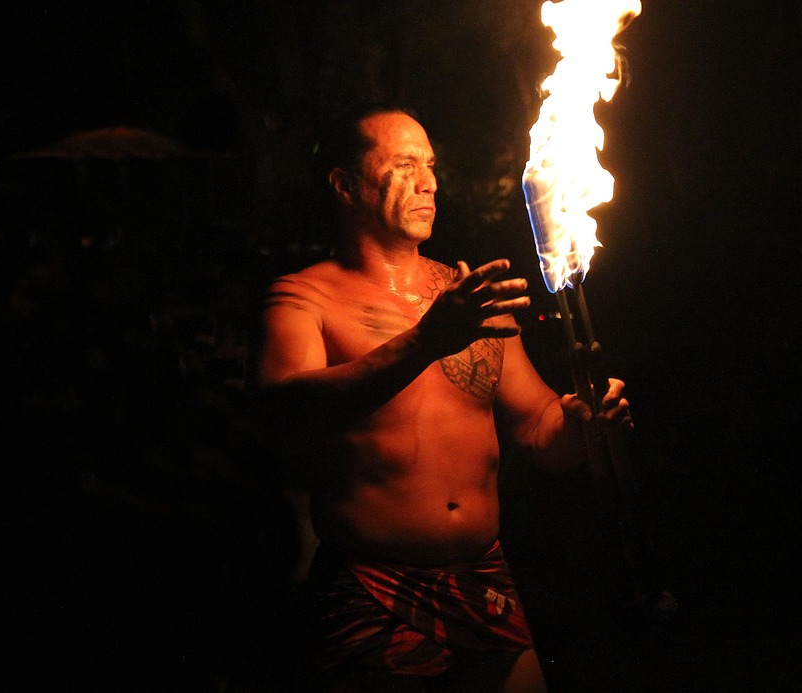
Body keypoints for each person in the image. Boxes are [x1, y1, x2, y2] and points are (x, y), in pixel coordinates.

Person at [255, 103, 629, 692]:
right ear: (344, 186)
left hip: (485, 581)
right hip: (373, 588)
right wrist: (428, 340)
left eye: (429, 165)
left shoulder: (466, 298)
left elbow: (537, 431)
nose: (428, 183)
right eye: (404, 165)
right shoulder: (305, 299)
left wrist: (582, 421)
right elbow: (286, 415)